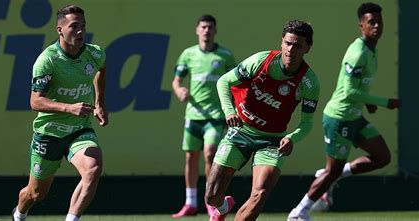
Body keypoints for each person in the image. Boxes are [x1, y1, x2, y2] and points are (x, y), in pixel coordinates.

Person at [287, 3, 400, 221]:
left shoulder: (372, 50)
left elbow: (358, 86)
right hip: (338, 118)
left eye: (379, 22)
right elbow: (349, 92)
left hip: (355, 116)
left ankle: (332, 173)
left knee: (382, 157)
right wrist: (385, 101)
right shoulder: (357, 53)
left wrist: (366, 103)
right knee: (332, 172)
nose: (377, 26)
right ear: (361, 26)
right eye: (371, 22)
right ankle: (298, 213)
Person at [205, 20, 320, 221]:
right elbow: (224, 81)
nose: (291, 50)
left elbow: (307, 123)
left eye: (298, 45)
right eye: (288, 43)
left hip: (271, 140)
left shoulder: (309, 83)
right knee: (212, 196)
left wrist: (292, 138)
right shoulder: (262, 61)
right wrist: (229, 111)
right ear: (282, 42)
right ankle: (223, 207)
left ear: (308, 48)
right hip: (240, 131)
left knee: (260, 193)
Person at [12, 5, 108, 221]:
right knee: (36, 194)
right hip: (49, 133)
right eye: (74, 26)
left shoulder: (94, 53)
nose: (81, 31)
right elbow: (35, 101)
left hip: (79, 130)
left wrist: (100, 102)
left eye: (83, 26)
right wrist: (69, 107)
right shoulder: (48, 60)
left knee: (93, 167)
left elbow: (101, 68)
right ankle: (19, 213)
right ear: (60, 30)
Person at [171, 14, 237, 218]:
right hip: (193, 115)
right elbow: (176, 81)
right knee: (191, 158)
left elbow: (235, 83)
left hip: (216, 116)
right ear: (197, 30)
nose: (206, 31)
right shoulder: (188, 54)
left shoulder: (225, 56)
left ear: (215, 31)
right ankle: (190, 203)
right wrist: (179, 90)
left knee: (210, 154)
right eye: (203, 27)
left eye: (210, 27)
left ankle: (211, 201)